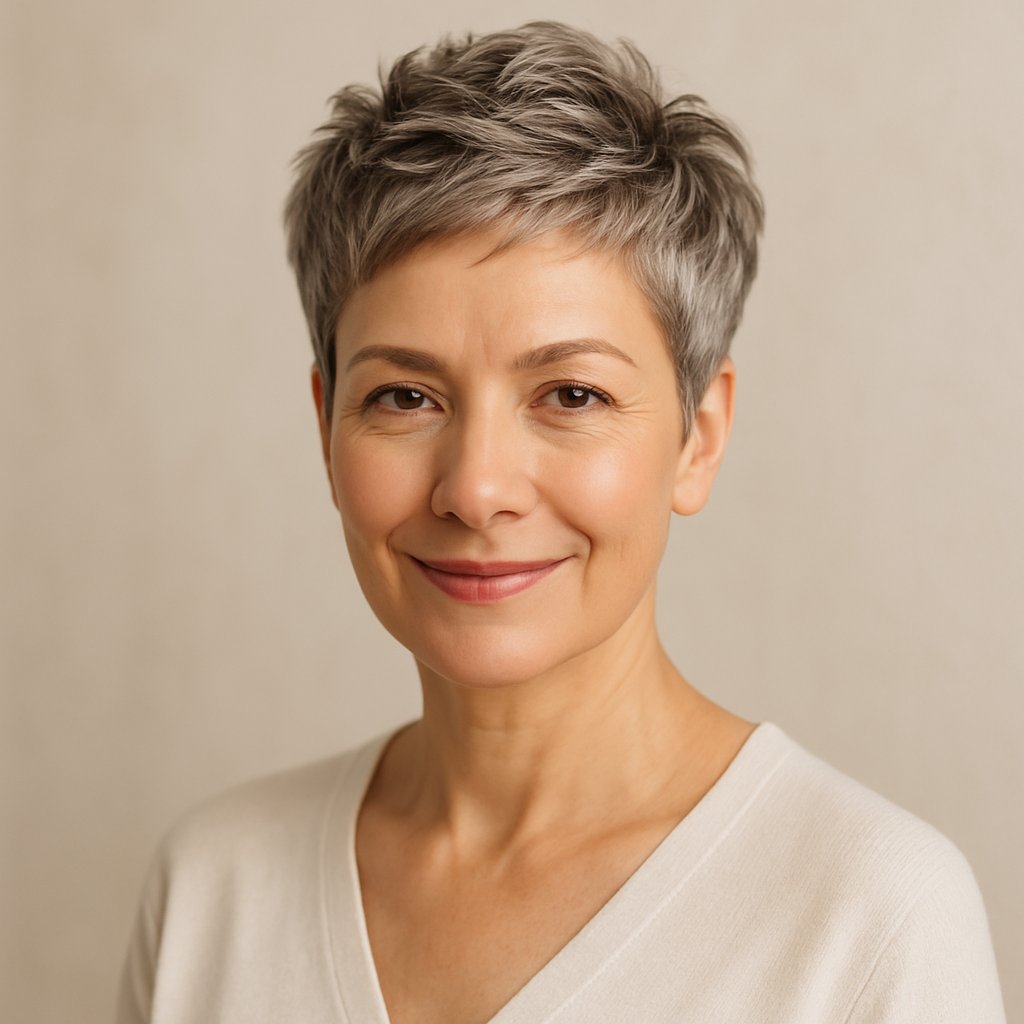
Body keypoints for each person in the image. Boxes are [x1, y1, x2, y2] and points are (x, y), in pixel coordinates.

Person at [116, 21, 1006, 1024]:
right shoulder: (210, 890)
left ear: (698, 436)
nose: (475, 489)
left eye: (572, 395)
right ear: (326, 427)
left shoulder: (871, 918)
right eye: (405, 397)